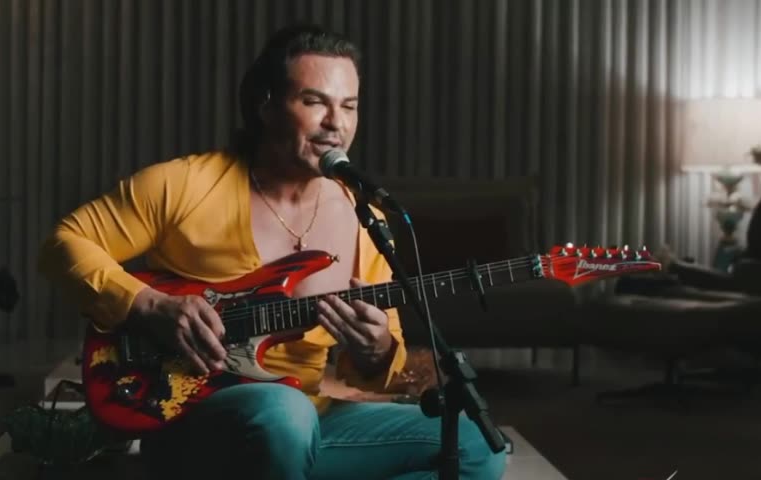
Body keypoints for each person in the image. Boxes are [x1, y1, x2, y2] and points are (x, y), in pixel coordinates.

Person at [38, 23, 506, 480]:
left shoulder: (366, 221)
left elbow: (377, 368)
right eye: (314, 102)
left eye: (349, 106)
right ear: (265, 104)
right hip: (190, 417)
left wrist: (377, 348)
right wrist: (150, 305)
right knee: (285, 415)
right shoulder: (184, 185)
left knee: (476, 448)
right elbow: (63, 243)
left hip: (310, 420)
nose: (336, 124)